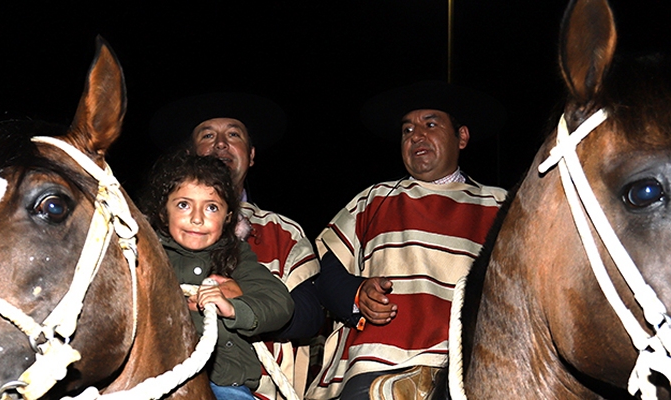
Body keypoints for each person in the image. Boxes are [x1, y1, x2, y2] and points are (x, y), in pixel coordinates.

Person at [306, 81, 509, 399]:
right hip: (375, 363)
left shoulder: (499, 206)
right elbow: (325, 275)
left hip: (469, 366)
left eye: (430, 124)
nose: (416, 136)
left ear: (462, 137)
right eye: (407, 130)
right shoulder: (373, 199)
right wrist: (357, 294)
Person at [149, 92, 323, 399]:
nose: (220, 144)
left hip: (248, 387)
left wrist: (238, 301)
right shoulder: (145, 239)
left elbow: (309, 317)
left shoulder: (284, 232)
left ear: (251, 154)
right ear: (191, 154)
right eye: (207, 135)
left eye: (233, 134)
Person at [140, 151, 295, 399]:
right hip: (151, 377)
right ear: (162, 212)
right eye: (183, 204)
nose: (197, 218)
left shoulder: (236, 257)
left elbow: (279, 302)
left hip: (223, 382)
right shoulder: (145, 256)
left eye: (212, 207)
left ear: (227, 218)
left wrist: (234, 309)